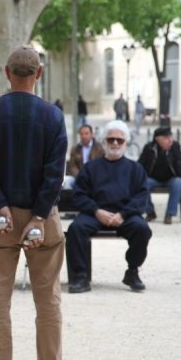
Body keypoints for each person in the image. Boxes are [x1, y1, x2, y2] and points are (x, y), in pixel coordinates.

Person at [0, 44, 69, 360]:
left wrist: (0, 204)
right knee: (47, 296)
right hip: (42, 216)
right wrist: (39, 214)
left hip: (1, 216)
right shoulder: (53, 116)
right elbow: (56, 172)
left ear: (7, 73)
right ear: (38, 74)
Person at [66, 120, 152, 294]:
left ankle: (132, 271)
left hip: (125, 215)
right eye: (111, 139)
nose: (115, 143)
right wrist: (96, 211)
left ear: (126, 143)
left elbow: (142, 197)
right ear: (103, 142)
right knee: (76, 229)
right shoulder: (90, 168)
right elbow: (79, 194)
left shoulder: (136, 169)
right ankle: (80, 276)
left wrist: (123, 214)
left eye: (119, 140)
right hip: (95, 213)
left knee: (142, 229)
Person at [138, 126, 181, 225]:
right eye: (166, 138)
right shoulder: (149, 148)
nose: (170, 140)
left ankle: (169, 214)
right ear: (158, 139)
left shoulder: (175, 147)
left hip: (171, 179)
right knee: (143, 183)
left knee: (178, 182)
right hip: (153, 179)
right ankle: (150, 212)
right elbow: (140, 165)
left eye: (170, 136)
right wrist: (137, 178)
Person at [64, 124, 104, 189]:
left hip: (95, 178)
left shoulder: (100, 148)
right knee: (68, 182)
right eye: (81, 134)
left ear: (91, 134)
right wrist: (80, 176)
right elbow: (72, 165)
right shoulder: (75, 149)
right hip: (79, 177)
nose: (84, 136)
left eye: (86, 133)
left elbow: (102, 165)